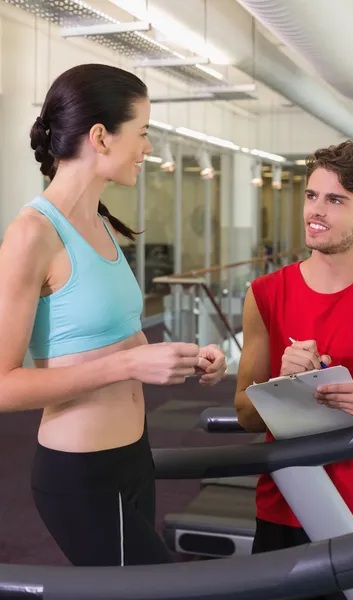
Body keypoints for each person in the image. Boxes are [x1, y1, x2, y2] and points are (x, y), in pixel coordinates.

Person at [0, 63, 227, 567]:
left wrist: (187, 360)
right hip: (79, 473)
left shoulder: (100, 222)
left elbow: (116, 340)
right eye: (142, 133)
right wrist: (127, 367)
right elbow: (3, 384)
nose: (148, 149)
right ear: (101, 136)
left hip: (133, 454)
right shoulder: (31, 235)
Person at [235, 140, 353, 583]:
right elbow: (247, 417)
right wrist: (281, 386)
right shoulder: (265, 294)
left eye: (334, 200)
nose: (315, 210)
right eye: (311, 196)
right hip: (287, 507)